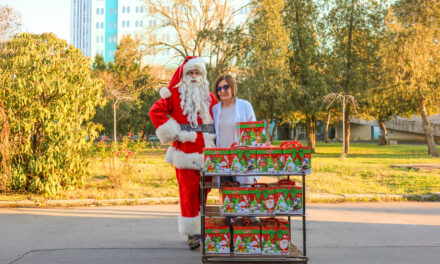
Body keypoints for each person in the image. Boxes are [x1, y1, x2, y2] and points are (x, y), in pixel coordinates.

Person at [149, 56, 217, 250]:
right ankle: (192, 233)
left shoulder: (210, 96)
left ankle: (200, 225)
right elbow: (155, 112)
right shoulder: (174, 94)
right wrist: (175, 133)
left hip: (208, 153)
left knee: (204, 191)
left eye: (198, 73)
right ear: (185, 75)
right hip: (186, 153)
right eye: (191, 73)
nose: (194, 77)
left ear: (202, 75)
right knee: (188, 192)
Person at [211, 74, 258, 185]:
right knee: (227, 197)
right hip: (223, 161)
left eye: (226, 87)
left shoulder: (245, 106)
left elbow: (255, 133)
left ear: (233, 87)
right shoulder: (215, 109)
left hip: (242, 158)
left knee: (243, 196)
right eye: (219, 88)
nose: (222, 91)